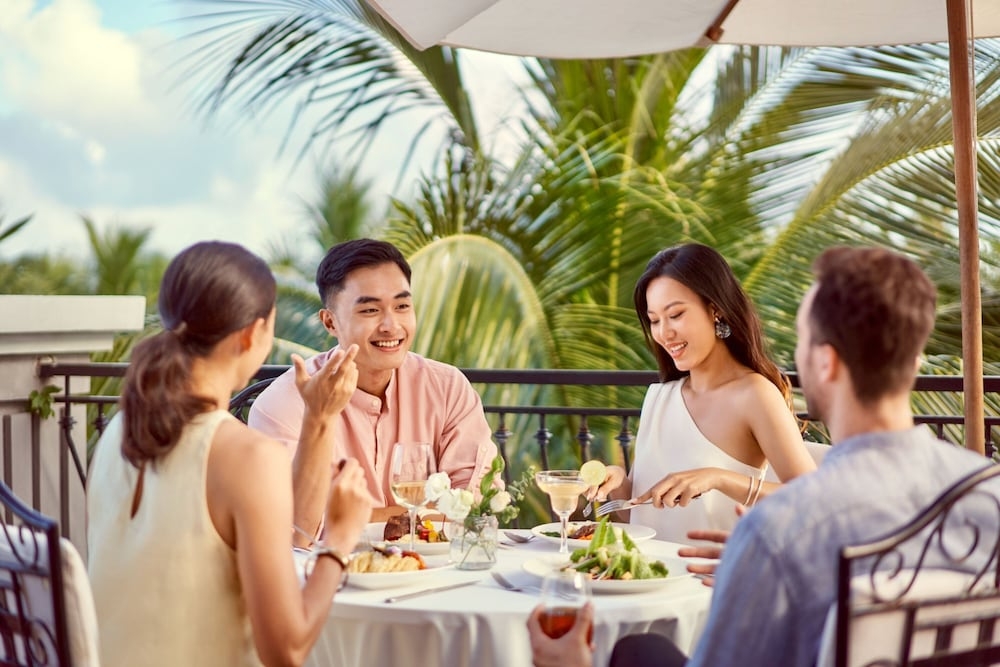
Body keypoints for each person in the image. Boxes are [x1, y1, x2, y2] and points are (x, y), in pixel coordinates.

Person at [528, 246, 998, 667]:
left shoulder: (779, 531)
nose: (664, 331)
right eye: (655, 320)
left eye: (800, 339)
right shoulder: (989, 496)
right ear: (915, 359)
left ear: (826, 362)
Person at [87, 241, 373, 667]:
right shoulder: (246, 456)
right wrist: (339, 539)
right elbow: (287, 650)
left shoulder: (121, 428)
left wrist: (318, 418)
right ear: (252, 334)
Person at [248, 238, 497, 535]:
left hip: (435, 571)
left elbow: (475, 507)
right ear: (330, 322)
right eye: (370, 311)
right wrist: (419, 514)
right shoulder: (283, 403)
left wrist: (357, 517)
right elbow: (300, 527)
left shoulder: (448, 388)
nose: (391, 325)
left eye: (402, 306)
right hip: (328, 575)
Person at [593, 243, 815, 544]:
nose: (664, 333)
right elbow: (641, 515)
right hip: (648, 579)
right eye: (655, 320)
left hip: (713, 581)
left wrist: (718, 478)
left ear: (715, 310)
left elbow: (813, 498)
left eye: (676, 315)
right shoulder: (661, 398)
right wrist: (619, 482)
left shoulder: (755, 395)